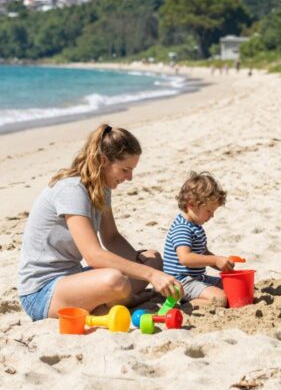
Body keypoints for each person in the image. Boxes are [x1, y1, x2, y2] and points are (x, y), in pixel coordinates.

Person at [16, 124, 182, 321]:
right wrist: (151, 276)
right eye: (125, 169)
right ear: (103, 160)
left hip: (73, 278)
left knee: (153, 258)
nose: (129, 178)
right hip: (42, 293)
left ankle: (113, 302)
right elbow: (93, 255)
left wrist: (149, 268)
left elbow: (111, 237)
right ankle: (126, 300)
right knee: (116, 280)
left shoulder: (101, 188)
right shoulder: (72, 190)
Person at [162, 172, 232, 307]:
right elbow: (185, 258)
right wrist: (215, 260)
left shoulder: (196, 226)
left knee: (231, 286)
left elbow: (203, 253)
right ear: (192, 204)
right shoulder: (182, 228)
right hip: (181, 283)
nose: (212, 216)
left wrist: (219, 264)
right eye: (209, 211)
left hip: (197, 278)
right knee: (220, 299)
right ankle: (184, 306)